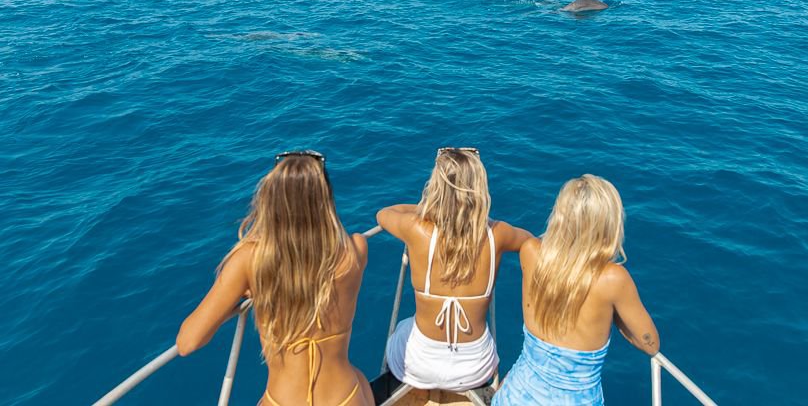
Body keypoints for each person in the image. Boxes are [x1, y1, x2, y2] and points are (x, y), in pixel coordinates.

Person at [176, 151, 375, 406]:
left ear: (270, 199)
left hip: (283, 400)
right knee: (360, 380)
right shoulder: (355, 249)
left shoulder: (250, 260)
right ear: (325, 199)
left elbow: (187, 342)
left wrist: (234, 306)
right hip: (346, 397)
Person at [493, 174, 659, 406]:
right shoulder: (613, 278)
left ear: (560, 214)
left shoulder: (530, 252)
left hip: (516, 396)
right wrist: (614, 314)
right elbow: (650, 344)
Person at [377, 147, 533, 392]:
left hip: (419, 365)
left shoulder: (416, 229)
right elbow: (530, 241)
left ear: (436, 187)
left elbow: (384, 214)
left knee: (401, 329)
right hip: (474, 368)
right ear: (479, 188)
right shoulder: (497, 234)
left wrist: (428, 207)